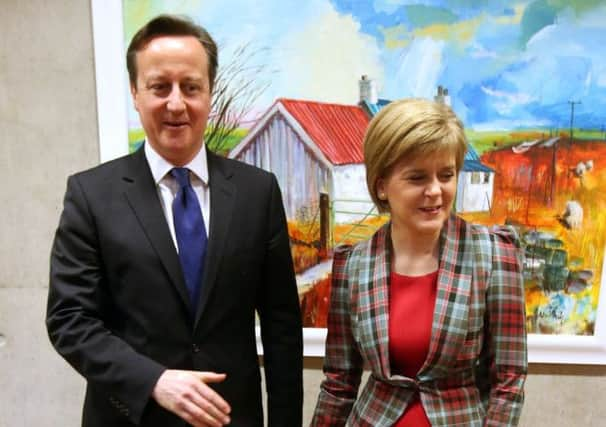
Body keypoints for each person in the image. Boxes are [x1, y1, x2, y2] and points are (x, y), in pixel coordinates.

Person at [46, 14, 302, 427]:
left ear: (210, 92)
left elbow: (282, 327)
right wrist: (154, 380)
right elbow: (69, 321)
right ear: (134, 91)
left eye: (191, 87)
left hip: (232, 419)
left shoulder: (258, 193)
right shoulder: (92, 195)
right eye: (160, 87)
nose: (177, 103)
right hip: (130, 417)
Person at [311, 98, 527, 426]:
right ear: (382, 185)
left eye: (446, 175)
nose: (435, 191)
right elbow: (339, 384)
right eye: (417, 178)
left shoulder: (494, 255)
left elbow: (508, 381)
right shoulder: (354, 265)